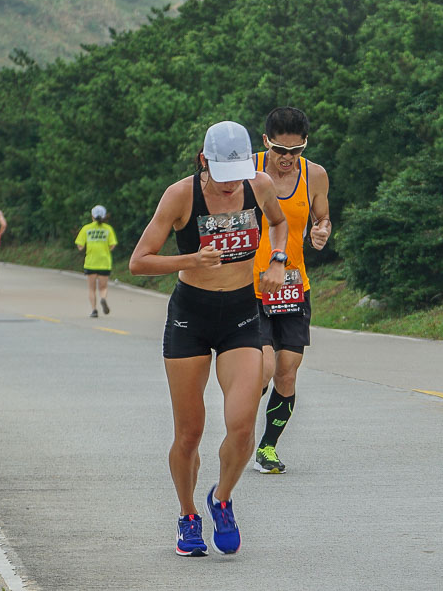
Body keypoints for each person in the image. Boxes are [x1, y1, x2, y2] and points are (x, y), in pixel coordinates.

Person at [128, 121, 288, 558]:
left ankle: (221, 499)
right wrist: (192, 258)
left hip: (239, 313)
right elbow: (139, 261)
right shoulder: (180, 195)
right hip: (190, 316)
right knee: (189, 433)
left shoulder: (260, 186)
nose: (230, 184)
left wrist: (277, 259)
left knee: (241, 429)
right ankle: (187, 515)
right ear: (203, 161)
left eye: (236, 174)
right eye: (221, 175)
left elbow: (278, 224)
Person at [249, 107, 331, 475]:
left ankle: (267, 446)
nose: (286, 159)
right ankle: (241, 425)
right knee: (262, 368)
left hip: (294, 286)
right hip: (249, 287)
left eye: (295, 152)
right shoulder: (246, 171)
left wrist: (321, 232)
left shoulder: (315, 176)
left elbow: (322, 218)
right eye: (280, 151)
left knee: (286, 371)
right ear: (265, 141)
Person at [75, 205, 117, 317]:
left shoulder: (86, 228)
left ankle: (94, 310)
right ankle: (103, 298)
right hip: (104, 261)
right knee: (103, 287)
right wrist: (105, 250)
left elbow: (80, 246)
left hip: (91, 262)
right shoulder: (108, 229)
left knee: (91, 289)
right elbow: (112, 245)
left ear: (92, 216)